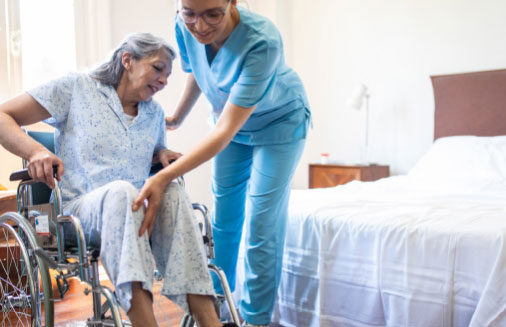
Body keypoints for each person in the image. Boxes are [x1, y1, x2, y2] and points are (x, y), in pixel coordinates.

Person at [0, 33, 236, 327]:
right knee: (122, 192)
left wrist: (161, 154)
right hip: (76, 213)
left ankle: (209, 321)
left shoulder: (154, 114)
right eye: (157, 68)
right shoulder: (77, 88)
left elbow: (142, 155)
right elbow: (3, 115)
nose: (164, 81)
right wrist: (35, 151)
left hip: (135, 213)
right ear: (128, 60)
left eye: (168, 75)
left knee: (172, 190)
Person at [132, 1, 311, 326]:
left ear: (232, 3)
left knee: (261, 223)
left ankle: (254, 319)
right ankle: (214, 312)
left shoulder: (262, 41)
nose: (199, 26)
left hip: (278, 123)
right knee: (224, 223)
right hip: (232, 127)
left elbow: (225, 131)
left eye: (212, 14)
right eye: (190, 13)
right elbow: (200, 75)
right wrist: (177, 117)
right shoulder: (182, 25)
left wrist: (163, 177)